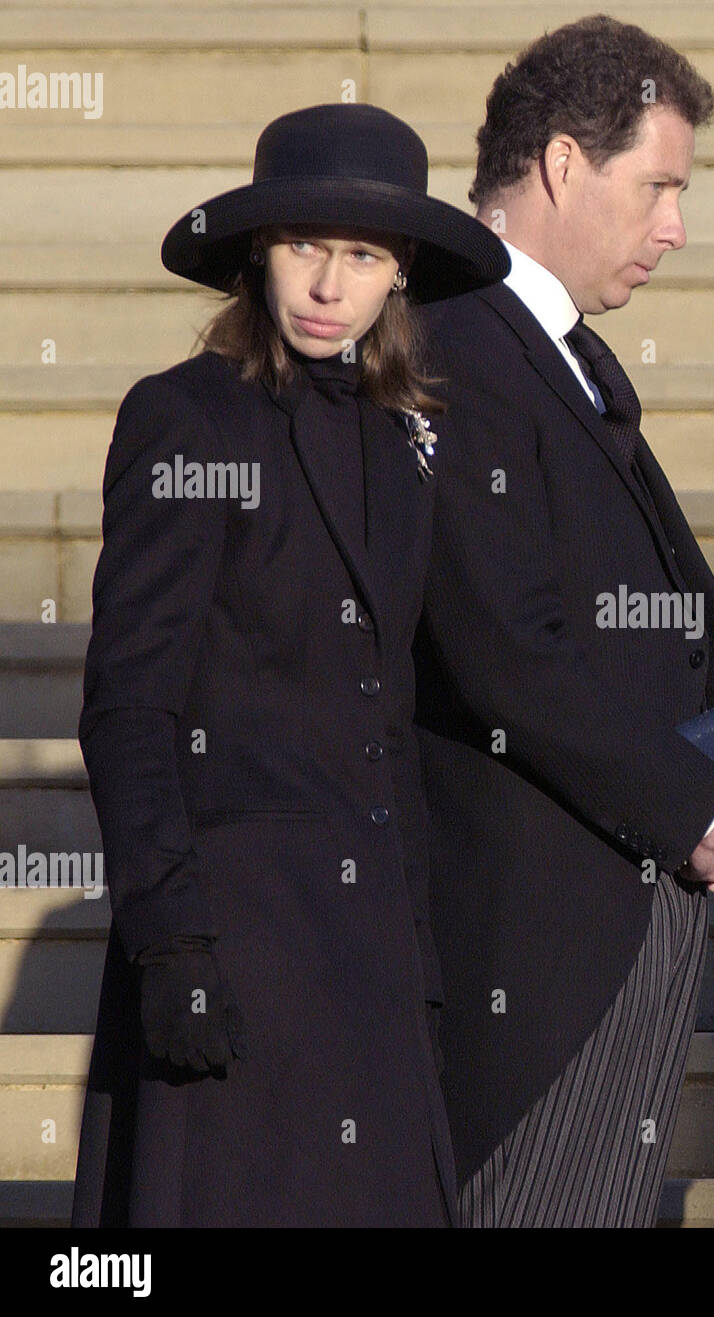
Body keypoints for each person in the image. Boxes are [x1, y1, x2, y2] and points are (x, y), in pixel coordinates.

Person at [71, 102, 508, 1226]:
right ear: (256, 255)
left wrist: (418, 966)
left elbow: (398, 712)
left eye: (360, 254)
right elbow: (131, 704)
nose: (327, 283)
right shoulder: (187, 421)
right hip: (239, 941)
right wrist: (173, 941)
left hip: (367, 958)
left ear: (398, 270)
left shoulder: (405, 433)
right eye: (303, 246)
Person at [413, 15, 714, 1227]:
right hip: (541, 946)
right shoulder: (458, 332)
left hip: (609, 915)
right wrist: (692, 808)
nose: (675, 226)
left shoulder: (544, 345)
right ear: (564, 164)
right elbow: (503, 644)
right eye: (658, 186)